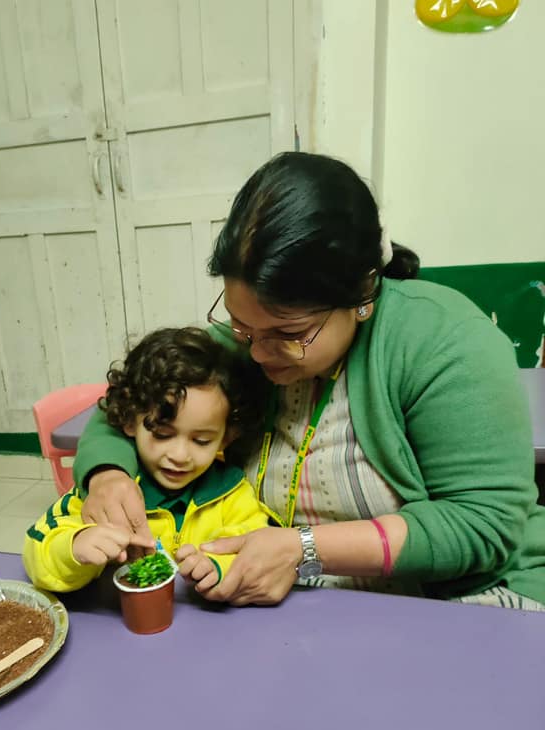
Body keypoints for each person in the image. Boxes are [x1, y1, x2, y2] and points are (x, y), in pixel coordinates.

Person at [71, 151, 545, 611]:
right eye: (241, 323)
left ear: (362, 295)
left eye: (289, 334)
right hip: (306, 603)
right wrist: (106, 475)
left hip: (458, 600)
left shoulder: (443, 340)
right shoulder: (235, 350)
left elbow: (480, 523)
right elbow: (123, 406)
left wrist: (304, 548)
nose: (257, 352)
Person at [23, 327, 272, 594]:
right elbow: (38, 548)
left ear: (226, 438)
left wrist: (219, 566)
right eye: (162, 435)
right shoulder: (110, 495)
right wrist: (74, 547)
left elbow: (256, 545)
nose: (179, 456)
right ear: (130, 421)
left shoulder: (232, 494)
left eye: (202, 441)